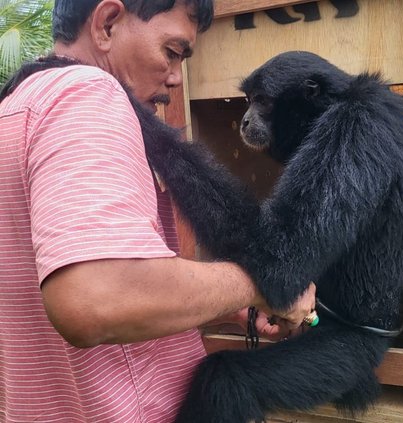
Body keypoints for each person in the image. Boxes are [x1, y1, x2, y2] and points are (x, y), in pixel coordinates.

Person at [0, 1, 317, 422]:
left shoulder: (17, 108)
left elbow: (50, 285)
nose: (172, 79)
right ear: (107, 24)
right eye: (172, 51)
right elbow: (95, 297)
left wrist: (219, 305)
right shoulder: (88, 96)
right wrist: (261, 285)